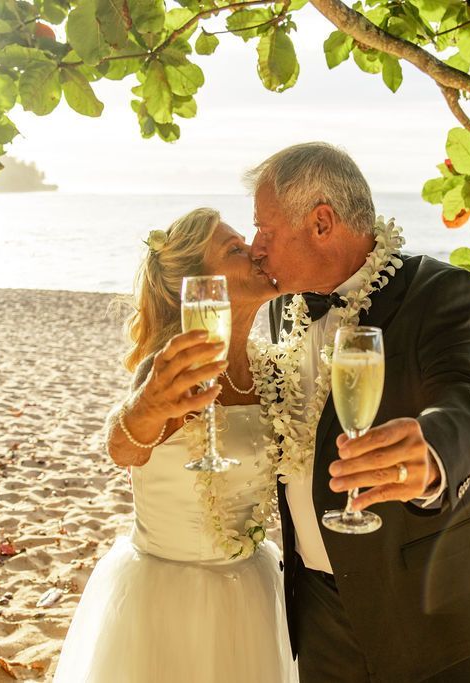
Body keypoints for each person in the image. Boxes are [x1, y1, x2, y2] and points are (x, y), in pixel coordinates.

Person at [247, 142, 470, 682]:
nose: (255, 246)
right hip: (317, 605)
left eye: (265, 228)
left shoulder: (441, 292)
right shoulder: (286, 305)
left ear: (322, 222)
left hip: (430, 602)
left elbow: (468, 399)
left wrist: (432, 455)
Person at [51, 208, 296, 682]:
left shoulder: (270, 370)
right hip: (168, 601)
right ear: (199, 288)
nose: (255, 252)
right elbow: (125, 449)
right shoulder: (172, 368)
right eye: (234, 250)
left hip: (253, 588)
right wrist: (146, 407)